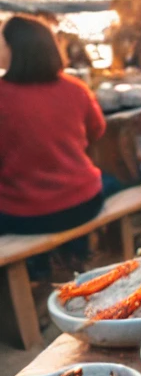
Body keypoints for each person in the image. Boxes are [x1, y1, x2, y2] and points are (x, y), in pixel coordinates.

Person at [0, 15, 109, 235]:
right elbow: (97, 130)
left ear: (14, 49)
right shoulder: (76, 89)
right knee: (115, 180)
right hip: (85, 204)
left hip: (23, 215)